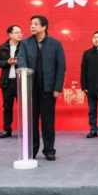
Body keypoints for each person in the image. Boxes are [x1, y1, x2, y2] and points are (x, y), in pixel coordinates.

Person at [17, 15, 66, 161]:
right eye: (31, 24)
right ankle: (31, 150)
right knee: (31, 122)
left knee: (48, 122)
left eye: (36, 24)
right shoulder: (25, 43)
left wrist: (57, 88)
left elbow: (61, 67)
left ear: (44, 27)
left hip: (48, 89)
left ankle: (49, 150)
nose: (32, 26)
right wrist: (24, 76)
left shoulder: (55, 44)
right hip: (30, 89)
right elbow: (21, 61)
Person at [0, 25, 22, 138]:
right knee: (7, 107)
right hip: (7, 82)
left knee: (24, 107)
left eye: (20, 32)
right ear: (10, 34)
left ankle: (27, 129)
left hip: (21, 82)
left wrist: (18, 62)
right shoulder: (2, 47)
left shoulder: (24, 47)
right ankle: (6, 129)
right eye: (17, 32)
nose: (20, 34)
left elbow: (30, 60)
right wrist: (7, 62)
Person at [81, 31, 98, 138]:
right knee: (92, 110)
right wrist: (84, 86)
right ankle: (93, 129)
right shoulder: (87, 53)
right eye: (95, 37)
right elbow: (83, 71)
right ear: (92, 39)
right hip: (91, 86)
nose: (96, 39)